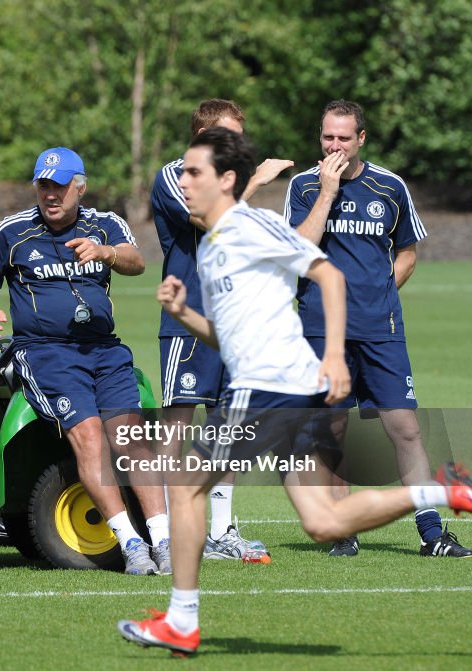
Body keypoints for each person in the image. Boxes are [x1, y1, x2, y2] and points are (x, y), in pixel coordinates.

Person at [116, 127, 472, 657]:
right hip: (283, 387)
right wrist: (185, 314)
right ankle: (449, 493)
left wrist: (332, 355)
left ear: (227, 180)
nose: (181, 180)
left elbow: (328, 275)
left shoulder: (248, 228)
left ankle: (182, 620)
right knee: (324, 523)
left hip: (271, 385)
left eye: (193, 172)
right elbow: (227, 334)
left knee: (184, 486)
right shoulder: (212, 244)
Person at [0, 147, 171, 575]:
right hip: (46, 354)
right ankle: (132, 545)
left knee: (132, 439)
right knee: (90, 439)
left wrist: (106, 253)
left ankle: (164, 541)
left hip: (105, 349)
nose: (51, 195)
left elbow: (137, 262)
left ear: (80, 187)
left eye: (59, 187)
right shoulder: (13, 231)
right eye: (44, 186)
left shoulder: (106, 224)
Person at [283, 100, 471, 557]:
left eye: (343, 138)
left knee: (405, 428)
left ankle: (432, 534)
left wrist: (383, 294)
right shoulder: (304, 186)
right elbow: (296, 250)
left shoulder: (389, 187)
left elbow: (406, 251)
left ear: (361, 138)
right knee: (333, 430)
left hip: (380, 330)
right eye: (328, 137)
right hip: (321, 332)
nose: (334, 146)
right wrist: (327, 193)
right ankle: (343, 531)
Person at [152, 99, 293, 559]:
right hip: (188, 320)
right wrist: (256, 183)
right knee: (177, 427)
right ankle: (170, 533)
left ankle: (222, 530)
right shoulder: (175, 175)